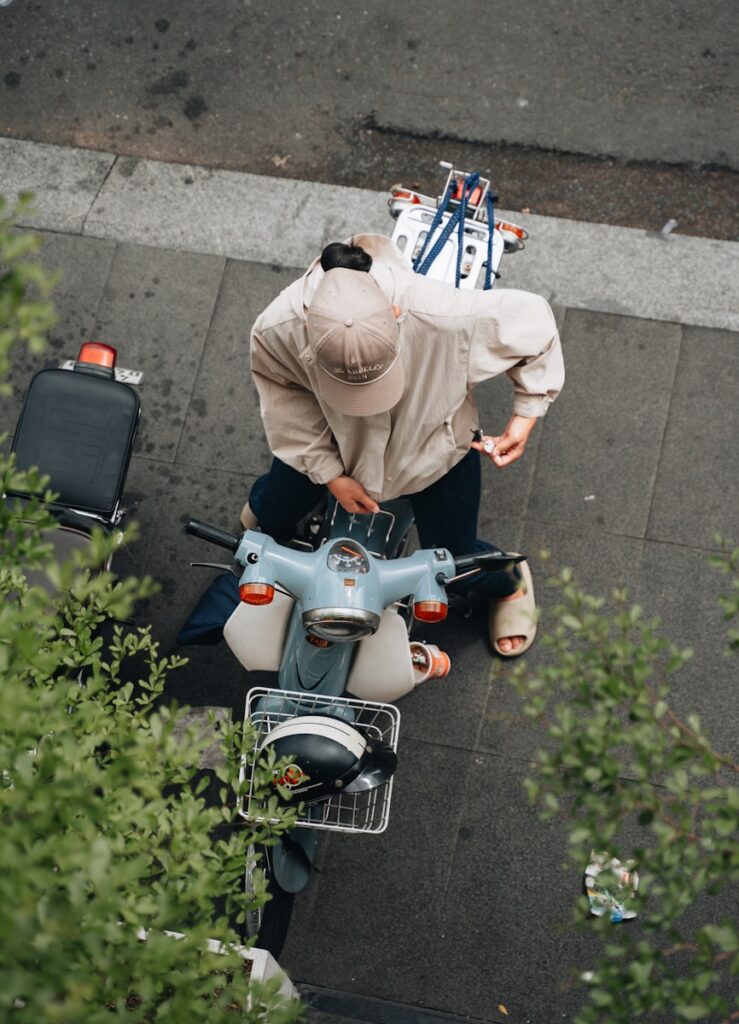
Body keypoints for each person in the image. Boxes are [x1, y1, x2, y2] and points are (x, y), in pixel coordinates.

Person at [242, 234, 564, 656]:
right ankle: (268, 515)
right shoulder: (277, 327)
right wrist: (330, 474)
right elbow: (284, 396)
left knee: (454, 556)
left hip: (432, 453)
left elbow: (534, 324)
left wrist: (526, 413)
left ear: (396, 314)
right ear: (307, 331)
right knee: (272, 510)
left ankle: (508, 579)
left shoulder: (443, 313)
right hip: (330, 444)